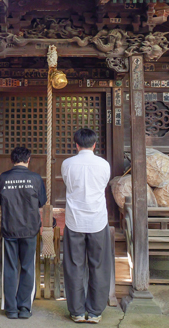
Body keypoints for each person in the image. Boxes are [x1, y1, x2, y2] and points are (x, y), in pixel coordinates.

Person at [62, 128, 112, 324]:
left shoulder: (67, 164)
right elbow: (103, 185)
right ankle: (95, 312)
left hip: (74, 220)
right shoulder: (103, 164)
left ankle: (76, 311)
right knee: (99, 265)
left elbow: (67, 184)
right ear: (94, 145)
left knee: (74, 266)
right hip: (98, 219)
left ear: (76, 145)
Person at [0, 146, 47, 319]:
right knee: (27, 267)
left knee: (9, 268)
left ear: (12, 160)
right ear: (28, 159)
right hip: (29, 229)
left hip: (9, 228)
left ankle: (11, 309)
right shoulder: (35, 178)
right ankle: (24, 308)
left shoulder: (4, 178)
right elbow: (41, 202)